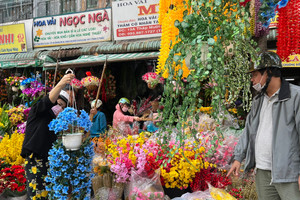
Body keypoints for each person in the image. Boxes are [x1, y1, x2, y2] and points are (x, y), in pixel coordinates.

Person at [227, 52, 300, 199]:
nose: (252, 80)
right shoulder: (258, 101)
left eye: (254, 75)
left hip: (289, 174)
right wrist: (238, 158)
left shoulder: (295, 96)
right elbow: (248, 131)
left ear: (269, 72)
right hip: (262, 172)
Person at [21, 73, 75, 200]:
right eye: (59, 103)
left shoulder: (54, 121)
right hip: (35, 159)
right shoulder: (38, 110)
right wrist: (61, 83)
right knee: (36, 195)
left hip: (48, 161)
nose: (59, 108)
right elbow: (48, 100)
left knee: (47, 194)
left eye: (63, 106)